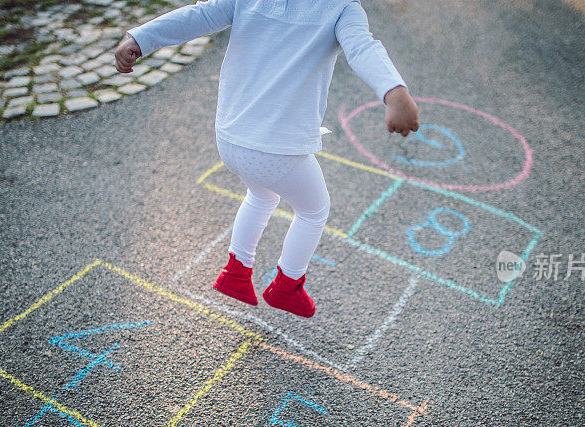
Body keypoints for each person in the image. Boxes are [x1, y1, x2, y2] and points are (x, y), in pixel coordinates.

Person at [116, 0, 419, 318]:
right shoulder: (341, 7)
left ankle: (236, 272)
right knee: (313, 211)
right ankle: (287, 285)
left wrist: (141, 38)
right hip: (277, 149)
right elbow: (363, 49)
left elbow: (199, 15)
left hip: (231, 138)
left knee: (261, 194)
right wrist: (395, 92)